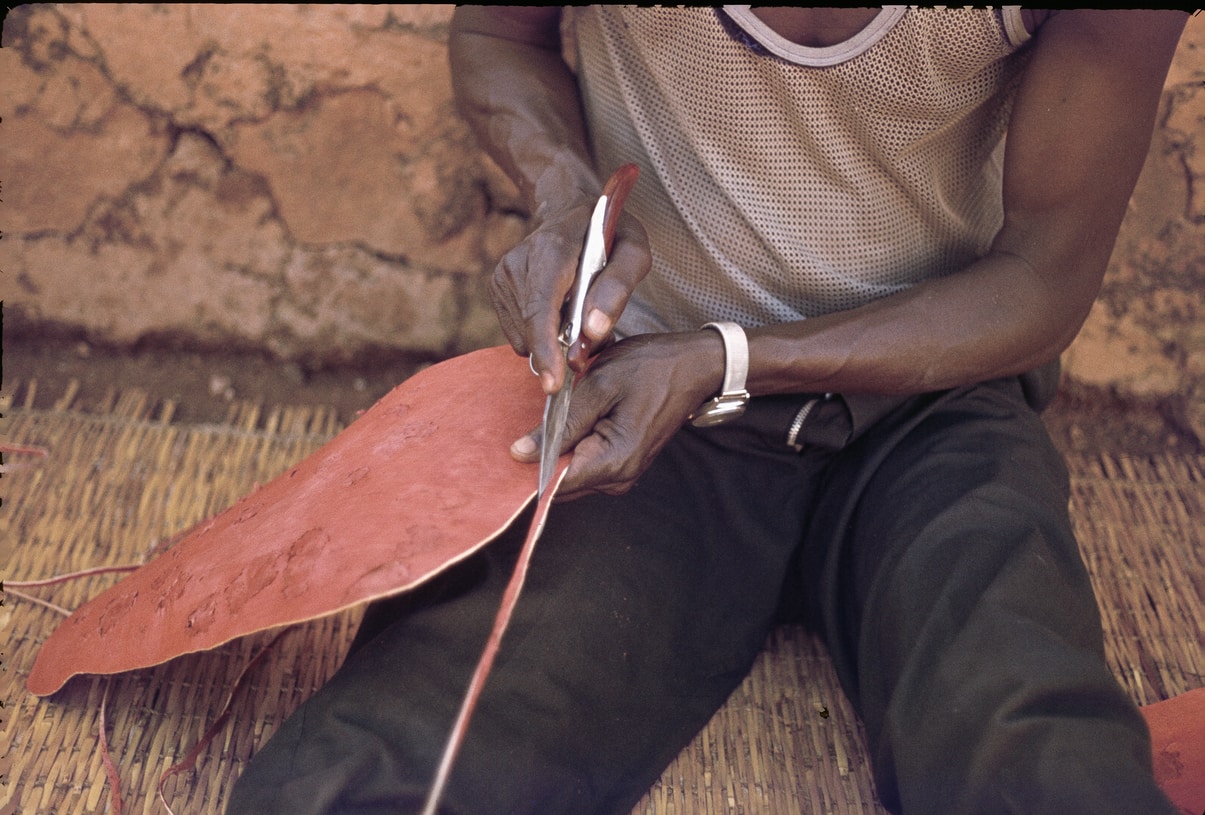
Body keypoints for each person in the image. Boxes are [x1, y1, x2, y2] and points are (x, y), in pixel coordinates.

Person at [227, 8, 1188, 814]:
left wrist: (732, 358)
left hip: (931, 406)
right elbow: (499, 31)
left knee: (1026, 742)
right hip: (645, 400)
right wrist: (571, 197)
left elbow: (1041, 276)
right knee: (411, 756)